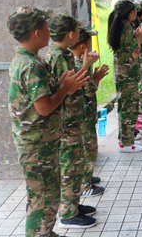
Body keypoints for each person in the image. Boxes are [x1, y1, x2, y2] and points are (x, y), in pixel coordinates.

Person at [7, 7, 89, 236]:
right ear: (36, 33)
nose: (49, 30)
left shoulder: (25, 59)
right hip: (36, 146)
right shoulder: (31, 65)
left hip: (38, 144)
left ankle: (45, 233)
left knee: (47, 196)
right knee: (42, 199)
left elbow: (38, 98)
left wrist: (59, 84)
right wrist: (65, 88)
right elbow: (43, 108)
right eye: (45, 26)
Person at [47, 14, 101, 229]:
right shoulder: (59, 57)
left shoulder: (62, 55)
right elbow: (71, 86)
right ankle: (68, 214)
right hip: (65, 122)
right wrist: (85, 66)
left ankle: (74, 205)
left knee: (76, 165)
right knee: (69, 167)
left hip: (72, 119)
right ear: (71, 35)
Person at [69, 26, 109, 197]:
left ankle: (87, 178)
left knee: (88, 148)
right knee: (88, 150)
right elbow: (89, 91)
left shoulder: (80, 62)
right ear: (82, 47)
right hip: (83, 115)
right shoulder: (80, 64)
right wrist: (97, 79)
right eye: (89, 42)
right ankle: (85, 186)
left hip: (85, 114)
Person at [108, 0, 142, 152]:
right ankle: (126, 143)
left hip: (127, 73)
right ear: (129, 12)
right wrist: (139, 38)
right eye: (134, 10)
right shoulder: (126, 29)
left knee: (128, 107)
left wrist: (141, 35)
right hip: (126, 75)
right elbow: (135, 54)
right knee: (128, 108)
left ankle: (127, 140)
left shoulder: (127, 26)